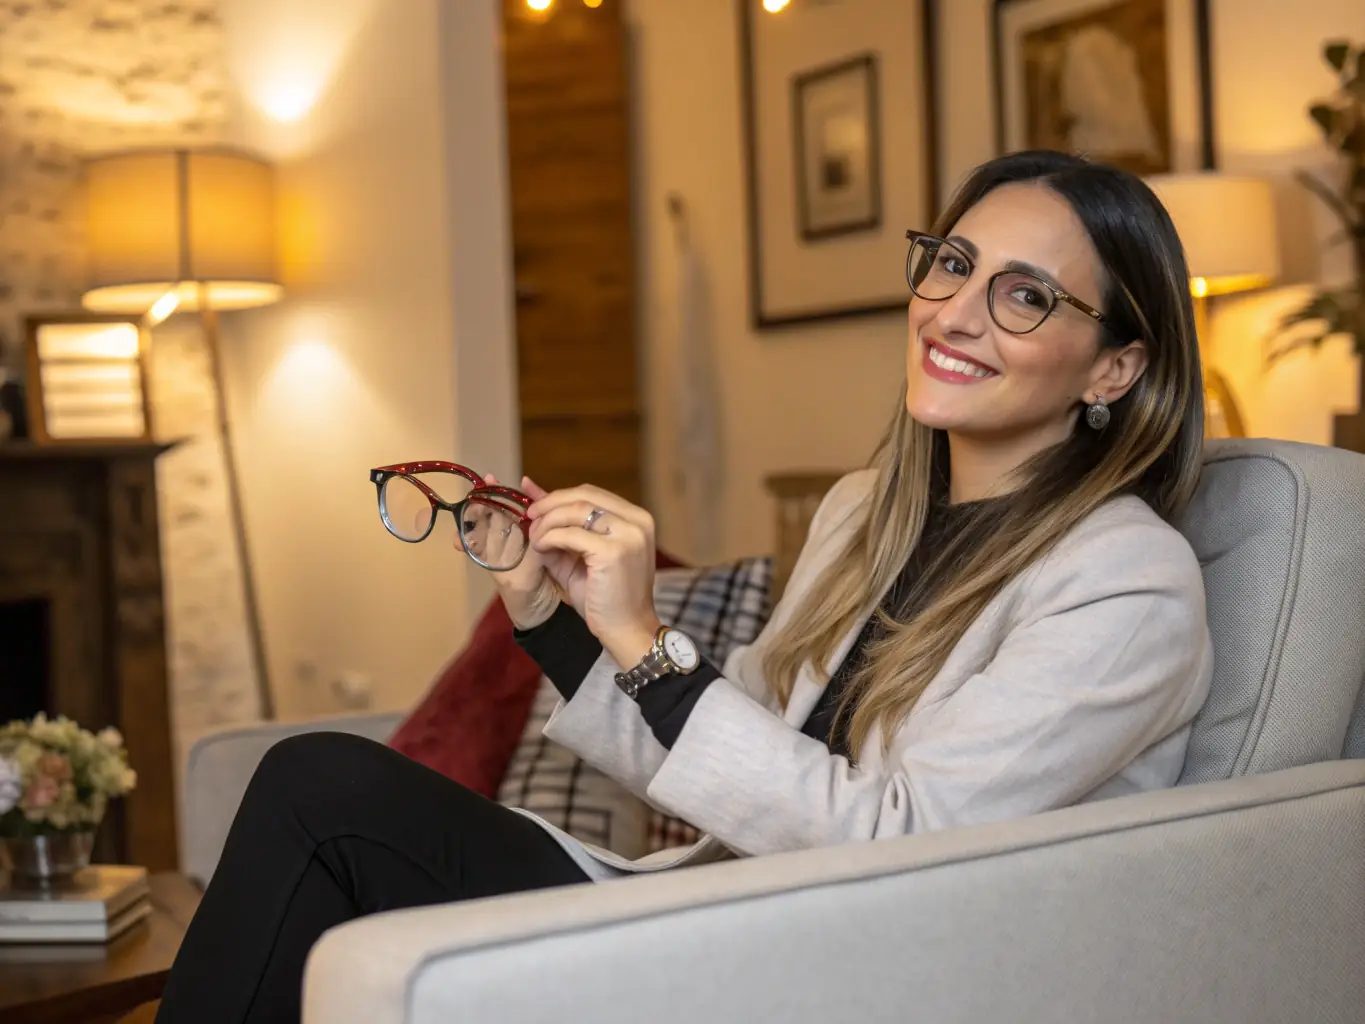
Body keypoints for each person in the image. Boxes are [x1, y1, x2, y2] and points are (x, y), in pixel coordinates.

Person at [155, 150, 1212, 1023]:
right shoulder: (867, 511)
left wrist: (647, 638)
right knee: (319, 786)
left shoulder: (1127, 586)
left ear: (1114, 367)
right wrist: (556, 620)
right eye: (952, 265)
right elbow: (734, 741)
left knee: (320, 795)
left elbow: (903, 849)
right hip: (731, 902)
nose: (955, 313)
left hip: (848, 966)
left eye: (1023, 295)